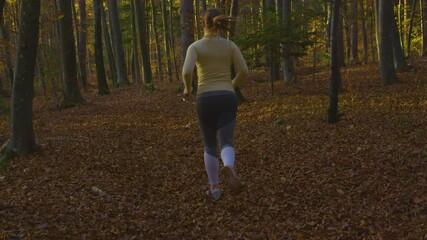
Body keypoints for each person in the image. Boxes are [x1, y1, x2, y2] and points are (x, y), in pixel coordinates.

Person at [182, 9, 249, 200]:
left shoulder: (195, 47)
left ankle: (214, 188)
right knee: (226, 140)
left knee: (209, 144)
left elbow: (187, 72)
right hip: (227, 96)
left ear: (203, 24)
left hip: (204, 98)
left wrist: (188, 89)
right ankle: (228, 164)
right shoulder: (230, 45)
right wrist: (231, 85)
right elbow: (244, 70)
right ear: (220, 25)